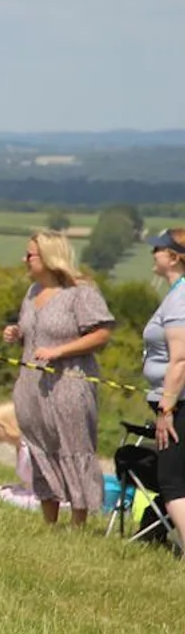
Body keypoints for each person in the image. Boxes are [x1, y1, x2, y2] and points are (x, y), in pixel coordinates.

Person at [0, 231, 113, 526]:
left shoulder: (81, 291)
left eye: (30, 255)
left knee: (74, 447)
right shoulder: (32, 292)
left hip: (70, 383)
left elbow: (101, 335)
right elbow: (34, 331)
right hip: (30, 386)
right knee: (39, 448)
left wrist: (60, 351)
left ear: (49, 257)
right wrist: (16, 333)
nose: (24, 260)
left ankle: (78, 523)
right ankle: (49, 521)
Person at [138, 228, 185, 550]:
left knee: (173, 483)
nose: (152, 253)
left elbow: (180, 359)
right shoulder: (176, 294)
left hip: (178, 403)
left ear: (173, 256)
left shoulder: (181, 298)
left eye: (158, 248)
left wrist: (166, 409)